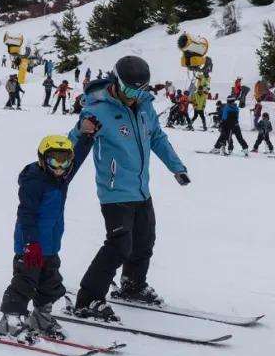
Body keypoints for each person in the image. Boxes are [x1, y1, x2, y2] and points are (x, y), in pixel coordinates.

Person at [67, 56, 189, 320]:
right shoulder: (97, 110)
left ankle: (133, 285)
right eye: (129, 90)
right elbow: (73, 143)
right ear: (115, 81)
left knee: (144, 241)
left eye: (140, 90)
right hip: (115, 191)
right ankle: (88, 298)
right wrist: (79, 130)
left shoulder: (145, 106)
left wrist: (176, 167)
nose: (134, 96)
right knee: (119, 245)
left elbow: (157, 138)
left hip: (141, 189)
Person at [0, 134, 94, 340]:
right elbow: (26, 213)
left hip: (50, 245)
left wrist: (87, 138)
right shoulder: (34, 181)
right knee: (24, 282)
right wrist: (30, 243)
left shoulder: (61, 178)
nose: (60, 166)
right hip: (30, 245)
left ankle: (40, 318)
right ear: (42, 159)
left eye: (65, 160)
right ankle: (10, 321)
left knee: (51, 283)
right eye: (54, 160)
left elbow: (79, 157)